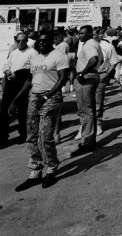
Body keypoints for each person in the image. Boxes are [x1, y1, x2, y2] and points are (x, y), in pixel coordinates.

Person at [14, 31, 70, 191]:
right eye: (39, 41)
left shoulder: (59, 56)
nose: (41, 44)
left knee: (45, 136)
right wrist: (17, 98)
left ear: (51, 41)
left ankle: (51, 167)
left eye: (45, 41)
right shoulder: (35, 58)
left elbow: (62, 78)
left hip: (50, 98)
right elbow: (30, 80)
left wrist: (48, 96)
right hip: (34, 96)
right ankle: (35, 170)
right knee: (31, 135)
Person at [71, 25, 102, 156]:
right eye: (79, 33)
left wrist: (82, 73)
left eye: (83, 33)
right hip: (92, 76)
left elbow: (94, 59)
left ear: (90, 34)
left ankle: (86, 142)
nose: (80, 35)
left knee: (85, 111)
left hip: (86, 79)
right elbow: (100, 60)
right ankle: (90, 139)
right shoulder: (94, 44)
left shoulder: (89, 45)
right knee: (90, 110)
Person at [0, 31, 36, 146]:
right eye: (18, 40)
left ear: (27, 41)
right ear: (15, 40)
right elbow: (7, 64)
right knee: (4, 111)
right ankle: (3, 137)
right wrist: (7, 71)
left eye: (23, 40)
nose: (21, 42)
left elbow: (33, 70)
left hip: (23, 84)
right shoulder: (14, 52)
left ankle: (23, 135)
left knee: (22, 112)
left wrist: (19, 73)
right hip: (11, 83)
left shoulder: (32, 52)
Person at [94, 28, 119, 135]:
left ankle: (98, 123)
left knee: (98, 101)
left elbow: (114, 62)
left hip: (101, 75)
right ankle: (85, 125)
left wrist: (106, 74)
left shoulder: (108, 46)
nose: (97, 36)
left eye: (100, 34)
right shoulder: (86, 45)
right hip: (87, 76)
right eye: (95, 34)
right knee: (85, 102)